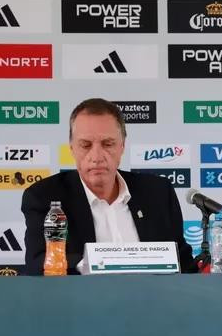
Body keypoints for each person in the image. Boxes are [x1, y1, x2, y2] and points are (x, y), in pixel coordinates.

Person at [21, 98, 197, 275]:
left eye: (108, 144)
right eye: (86, 145)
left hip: (153, 300)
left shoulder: (158, 192)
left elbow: (184, 265)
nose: (97, 156)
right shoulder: (44, 196)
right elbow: (37, 264)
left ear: (122, 146)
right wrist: (93, 262)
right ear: (72, 148)